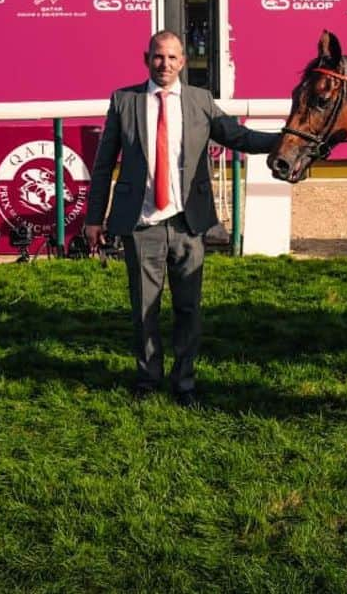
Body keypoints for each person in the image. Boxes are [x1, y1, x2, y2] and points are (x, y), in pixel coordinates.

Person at [84, 30, 280, 406]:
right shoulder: (124, 101)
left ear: (183, 62)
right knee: (145, 308)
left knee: (188, 308)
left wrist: (281, 140)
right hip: (141, 224)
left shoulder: (200, 101)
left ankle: (184, 382)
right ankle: (147, 378)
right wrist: (95, 217)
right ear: (146, 59)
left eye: (173, 57)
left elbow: (237, 137)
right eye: (159, 57)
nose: (165, 64)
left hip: (188, 225)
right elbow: (104, 162)